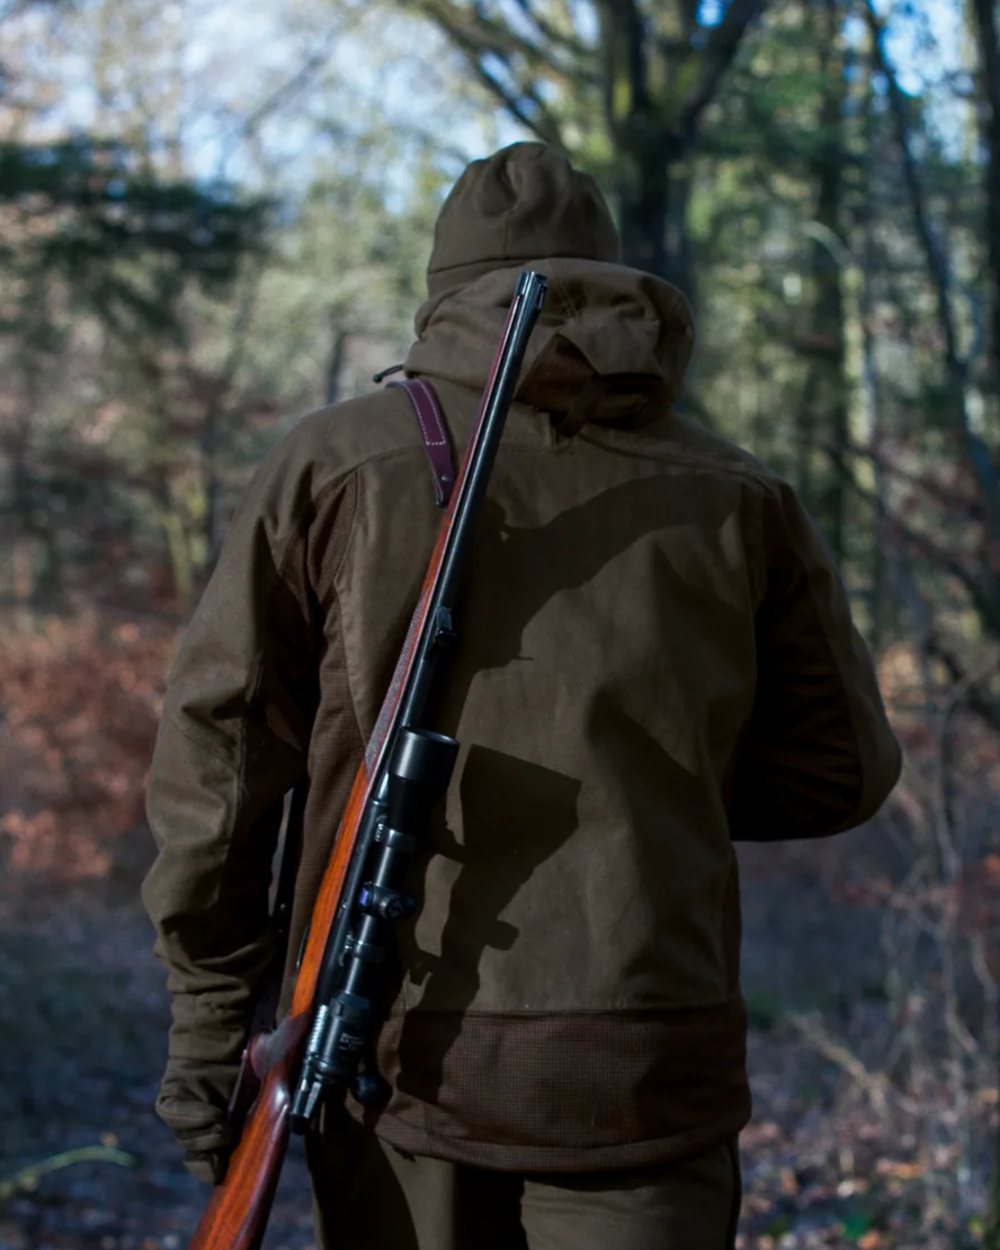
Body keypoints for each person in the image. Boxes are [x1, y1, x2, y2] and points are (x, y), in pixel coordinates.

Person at [142, 141, 902, 1250]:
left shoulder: (334, 465)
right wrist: (646, 784)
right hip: (651, 1055)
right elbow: (844, 770)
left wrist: (210, 1028)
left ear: (444, 298)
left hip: (388, 1049)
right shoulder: (740, 495)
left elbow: (219, 763)